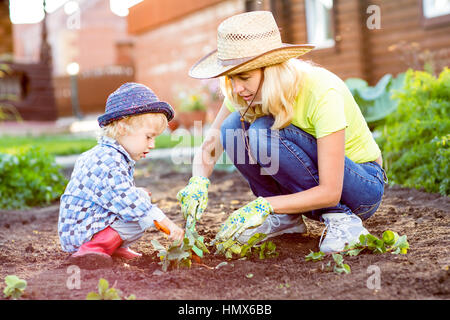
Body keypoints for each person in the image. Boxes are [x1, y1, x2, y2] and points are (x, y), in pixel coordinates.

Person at [177, 11, 387, 253]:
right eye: (231, 78)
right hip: (309, 192)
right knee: (232, 127)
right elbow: (211, 144)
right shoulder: (244, 92)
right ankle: (287, 219)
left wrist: (263, 205)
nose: (237, 87)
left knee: (262, 131)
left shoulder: (320, 91)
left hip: (360, 188)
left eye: (244, 77)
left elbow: (331, 191)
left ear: (271, 70)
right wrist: (198, 181)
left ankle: (343, 221)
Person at [58, 82, 184, 268]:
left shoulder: (110, 153)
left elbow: (115, 194)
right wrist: (163, 220)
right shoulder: (108, 160)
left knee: (140, 198)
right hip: (79, 232)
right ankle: (93, 249)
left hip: (84, 225)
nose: (152, 144)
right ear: (124, 128)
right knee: (138, 215)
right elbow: (130, 204)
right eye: (148, 137)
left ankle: (112, 247)